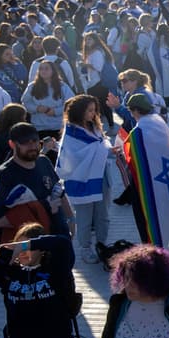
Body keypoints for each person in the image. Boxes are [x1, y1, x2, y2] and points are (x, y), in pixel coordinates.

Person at [122, 93, 169, 254]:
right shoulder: (159, 122)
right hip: (168, 180)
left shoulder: (138, 132)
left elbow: (131, 157)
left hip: (151, 184)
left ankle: (156, 254)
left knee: (150, 219)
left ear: (135, 111)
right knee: (168, 218)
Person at [0, 121, 73, 243]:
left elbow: (60, 191)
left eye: (35, 141)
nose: (32, 146)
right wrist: (37, 209)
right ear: (12, 144)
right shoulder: (0, 176)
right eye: (25, 142)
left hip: (58, 237)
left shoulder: (44, 161)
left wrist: (71, 219)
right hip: (25, 247)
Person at [55, 94, 111, 264]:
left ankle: (102, 245)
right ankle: (85, 248)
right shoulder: (71, 132)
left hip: (101, 177)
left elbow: (101, 145)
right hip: (82, 180)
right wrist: (102, 149)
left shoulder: (94, 126)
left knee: (103, 215)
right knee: (85, 217)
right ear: (79, 112)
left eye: (94, 110)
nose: (93, 114)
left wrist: (109, 150)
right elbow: (72, 156)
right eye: (89, 110)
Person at [20, 60, 74, 142]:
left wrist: (55, 111)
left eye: (46, 68)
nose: (43, 71)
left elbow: (71, 103)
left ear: (53, 71)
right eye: (41, 69)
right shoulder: (32, 86)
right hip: (39, 127)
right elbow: (25, 102)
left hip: (58, 127)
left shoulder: (63, 86)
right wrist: (36, 108)